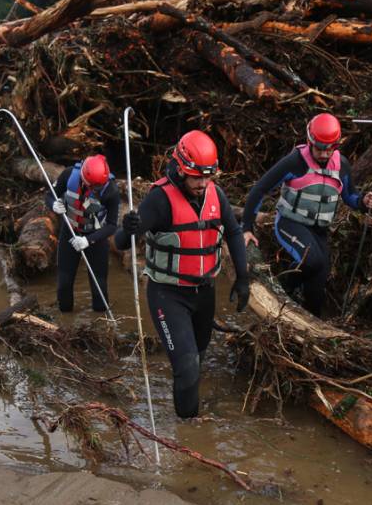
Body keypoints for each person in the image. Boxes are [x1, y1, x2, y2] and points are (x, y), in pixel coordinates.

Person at [115, 130, 250, 418]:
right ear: (180, 169)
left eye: (207, 177)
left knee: (197, 360)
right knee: (187, 368)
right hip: (168, 294)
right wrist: (128, 228)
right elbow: (121, 243)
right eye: (196, 177)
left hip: (204, 292)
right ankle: (187, 438)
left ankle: (187, 412)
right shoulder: (159, 199)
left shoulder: (216, 194)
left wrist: (243, 278)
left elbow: (235, 232)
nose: (202, 184)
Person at [240, 113, 372, 318]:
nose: (324, 154)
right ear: (310, 141)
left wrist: (365, 202)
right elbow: (259, 190)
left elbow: (350, 197)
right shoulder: (295, 162)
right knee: (311, 260)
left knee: (318, 286)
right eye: (319, 149)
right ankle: (280, 290)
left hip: (319, 231)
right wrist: (246, 227)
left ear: (336, 145)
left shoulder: (342, 165)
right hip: (289, 223)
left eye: (329, 149)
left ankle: (309, 325)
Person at [47, 154, 119, 313]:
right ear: (83, 178)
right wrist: (54, 204)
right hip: (70, 233)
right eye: (93, 187)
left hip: (96, 238)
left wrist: (88, 240)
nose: (96, 190)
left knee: (99, 289)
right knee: (64, 285)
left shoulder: (111, 191)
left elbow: (112, 226)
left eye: (99, 187)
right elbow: (50, 194)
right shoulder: (68, 175)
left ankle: (101, 325)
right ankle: (64, 323)